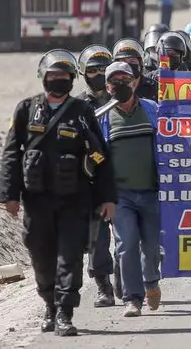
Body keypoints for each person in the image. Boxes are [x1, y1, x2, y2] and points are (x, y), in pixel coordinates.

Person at [0, 50, 116, 336]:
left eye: (64, 76)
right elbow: (11, 154)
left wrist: (107, 197)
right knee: (42, 259)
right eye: (53, 76)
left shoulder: (82, 112)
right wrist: (9, 195)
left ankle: (64, 313)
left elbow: (100, 156)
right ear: (43, 78)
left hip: (74, 201)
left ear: (72, 79)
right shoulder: (26, 109)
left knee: (69, 258)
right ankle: (49, 304)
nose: (58, 80)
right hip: (36, 202)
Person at [99, 62, 163, 317]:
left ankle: (151, 282)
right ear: (107, 87)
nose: (120, 85)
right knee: (126, 245)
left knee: (151, 245)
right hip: (120, 196)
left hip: (151, 191)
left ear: (134, 82)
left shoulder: (152, 109)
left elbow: (172, 141)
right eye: (114, 81)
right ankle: (132, 299)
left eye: (125, 80)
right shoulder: (102, 117)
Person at [77, 45, 116, 307]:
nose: (99, 74)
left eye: (104, 69)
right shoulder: (77, 106)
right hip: (94, 179)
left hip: (125, 176)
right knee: (98, 238)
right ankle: (103, 285)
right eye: (93, 70)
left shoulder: (123, 96)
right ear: (83, 73)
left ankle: (132, 280)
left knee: (131, 235)